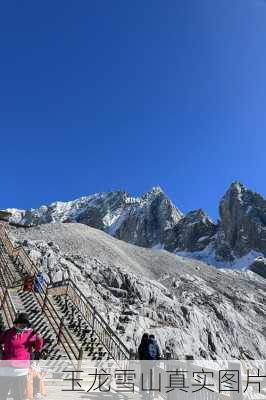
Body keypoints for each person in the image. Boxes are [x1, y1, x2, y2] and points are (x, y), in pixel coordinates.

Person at [0, 313, 43, 400]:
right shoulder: (8, 333)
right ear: (16, 323)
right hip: (5, 369)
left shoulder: (31, 334)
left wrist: (39, 339)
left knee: (18, 395)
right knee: (2, 395)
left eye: (25, 323)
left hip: (21, 370)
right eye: (21, 322)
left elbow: (38, 348)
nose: (23, 324)